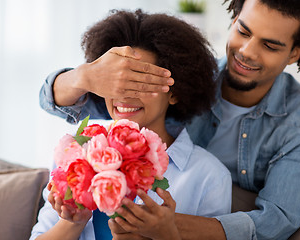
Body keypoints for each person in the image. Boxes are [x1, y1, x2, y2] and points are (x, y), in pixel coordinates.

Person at [39, 0, 300, 239]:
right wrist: (86, 76)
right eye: (243, 30)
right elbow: (68, 101)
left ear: (294, 54)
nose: (248, 51)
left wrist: (165, 227)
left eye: (271, 46)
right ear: (234, 19)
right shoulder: (86, 148)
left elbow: (276, 221)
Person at [31, 10, 232, 240]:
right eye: (117, 82)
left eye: (140, 83)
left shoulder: (209, 176)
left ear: (175, 92)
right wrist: (73, 223)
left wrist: (167, 234)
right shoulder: (75, 155)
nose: (124, 96)